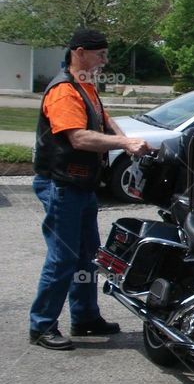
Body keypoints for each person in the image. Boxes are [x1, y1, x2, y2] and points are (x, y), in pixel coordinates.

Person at [29, 28, 151, 350]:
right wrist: (124, 143)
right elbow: (79, 138)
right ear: (80, 52)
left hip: (81, 186)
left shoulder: (85, 85)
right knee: (63, 258)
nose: (105, 60)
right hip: (61, 184)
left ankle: (84, 318)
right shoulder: (63, 91)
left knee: (88, 257)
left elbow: (103, 119)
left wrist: (128, 141)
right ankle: (41, 325)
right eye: (101, 54)